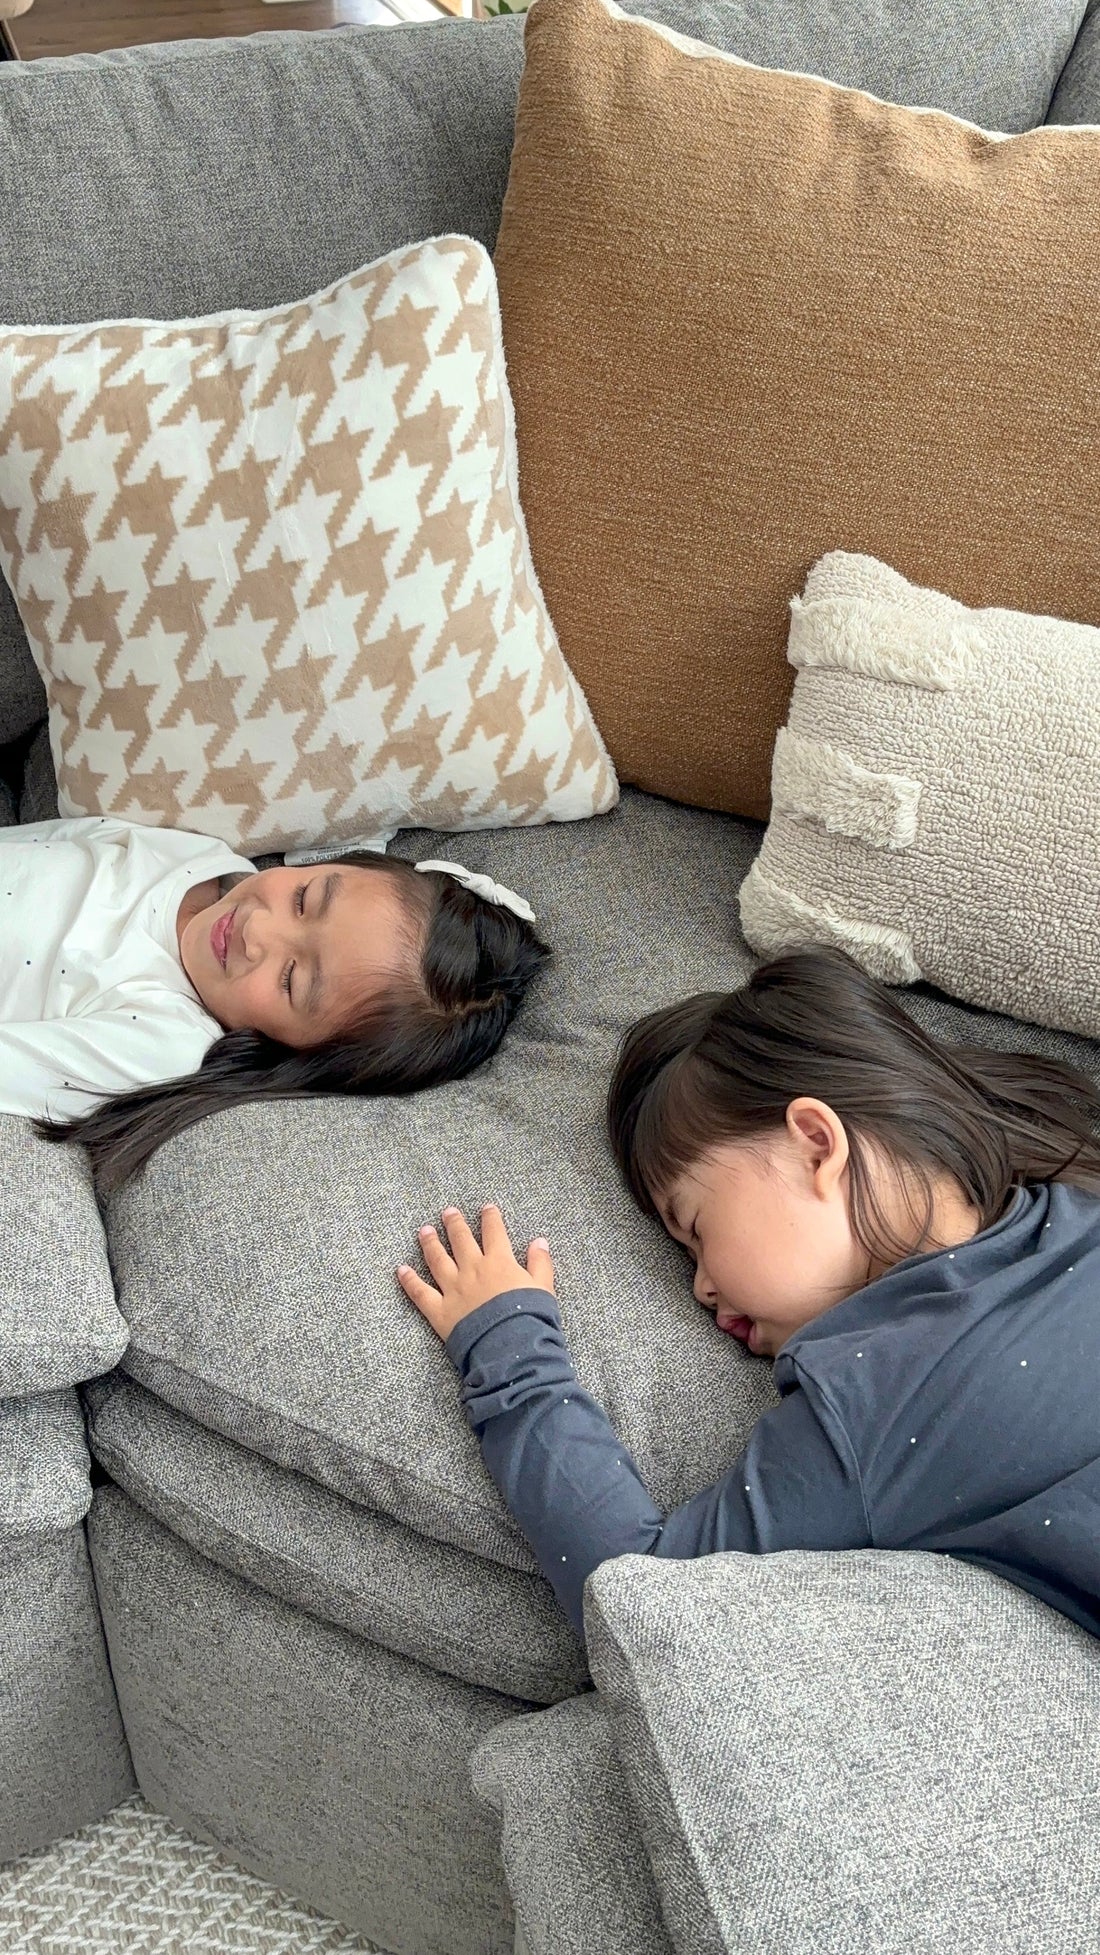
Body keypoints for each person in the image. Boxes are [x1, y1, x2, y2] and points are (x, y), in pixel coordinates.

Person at [398, 946, 1100, 1644]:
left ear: (816, 1145)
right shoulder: (1074, 1213)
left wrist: (510, 1352)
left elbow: (643, 1605)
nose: (700, 1285)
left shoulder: (862, 1408)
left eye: (696, 1227)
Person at [2, 814, 547, 1186]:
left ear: (292, 1049)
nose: (258, 928)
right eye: (305, 899)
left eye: (291, 980)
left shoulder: (164, 1042)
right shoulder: (204, 858)